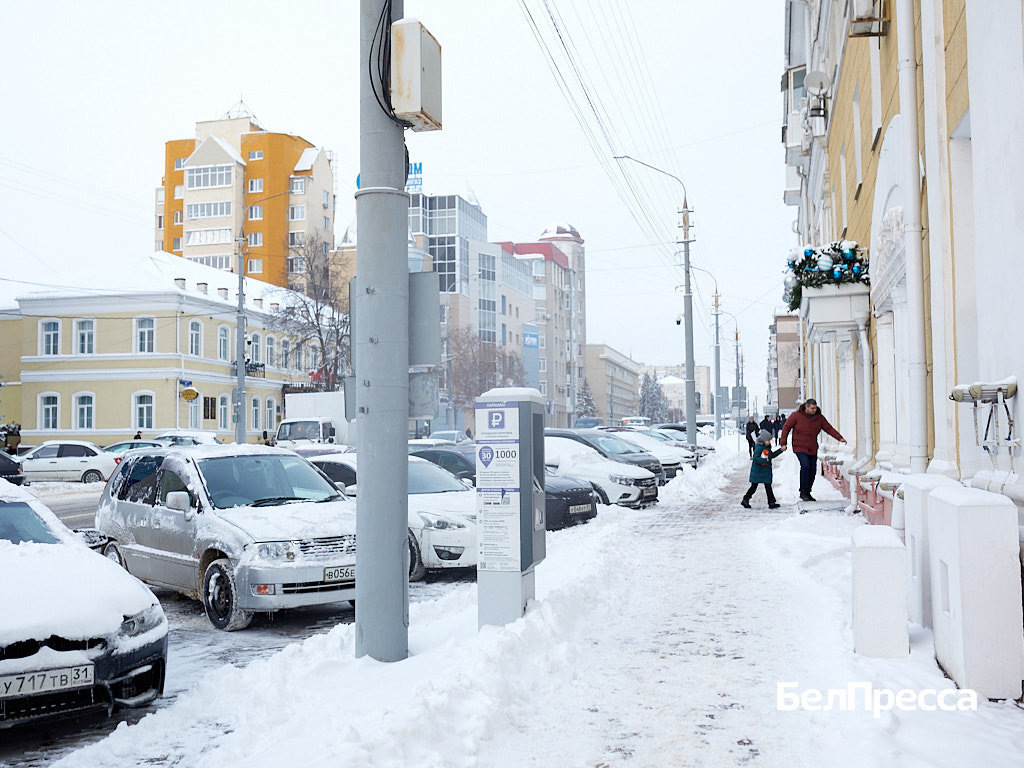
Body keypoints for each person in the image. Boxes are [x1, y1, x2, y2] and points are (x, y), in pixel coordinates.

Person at [779, 398, 846, 502]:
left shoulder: (819, 418)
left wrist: (839, 438)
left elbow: (828, 428)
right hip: (799, 446)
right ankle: (803, 492)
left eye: (815, 408)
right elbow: (786, 427)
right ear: (806, 407)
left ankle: (808, 492)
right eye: (812, 408)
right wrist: (783, 443)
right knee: (805, 466)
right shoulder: (796, 415)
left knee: (813, 470)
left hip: (812, 447)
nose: (814, 410)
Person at [742, 429, 784, 509]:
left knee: (768, 487)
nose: (769, 442)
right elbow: (755, 458)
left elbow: (771, 455)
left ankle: (771, 502)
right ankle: (746, 499)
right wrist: (765, 460)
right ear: (763, 440)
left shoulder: (766, 447)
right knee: (754, 487)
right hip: (758, 471)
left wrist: (780, 450)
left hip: (764, 471)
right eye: (768, 440)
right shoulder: (759, 448)